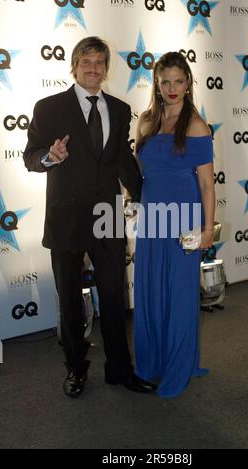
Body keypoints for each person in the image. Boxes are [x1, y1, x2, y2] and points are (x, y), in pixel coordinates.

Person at [23, 36, 157, 398]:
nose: (93, 68)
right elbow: (30, 156)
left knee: (114, 297)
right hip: (66, 218)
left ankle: (119, 370)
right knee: (69, 302)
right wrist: (50, 157)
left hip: (108, 217)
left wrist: (144, 193)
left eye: (100, 62)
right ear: (74, 66)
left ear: (106, 68)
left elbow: (121, 160)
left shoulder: (118, 108)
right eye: (86, 62)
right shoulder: (49, 107)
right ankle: (76, 369)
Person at [133, 51, 215, 398]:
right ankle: (152, 362)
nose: (171, 88)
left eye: (178, 81)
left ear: (188, 84)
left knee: (179, 294)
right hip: (152, 217)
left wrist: (207, 230)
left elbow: (208, 185)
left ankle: (178, 368)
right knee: (151, 291)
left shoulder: (196, 125)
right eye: (165, 81)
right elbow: (140, 170)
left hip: (184, 219)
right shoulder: (147, 121)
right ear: (156, 82)